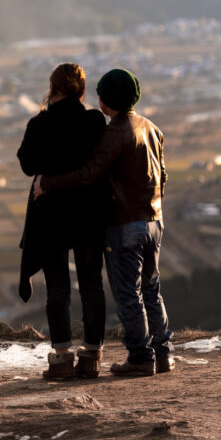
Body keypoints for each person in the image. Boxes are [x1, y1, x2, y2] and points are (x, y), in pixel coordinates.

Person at [35, 68, 173, 377]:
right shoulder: (151, 127)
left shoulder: (116, 131)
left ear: (106, 99)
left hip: (126, 223)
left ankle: (140, 356)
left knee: (128, 294)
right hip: (154, 220)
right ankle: (163, 354)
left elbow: (89, 174)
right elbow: (163, 175)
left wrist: (49, 182)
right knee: (152, 289)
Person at [17, 63, 110, 379]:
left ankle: (61, 357)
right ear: (82, 91)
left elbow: (27, 165)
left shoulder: (39, 124)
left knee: (57, 287)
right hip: (89, 215)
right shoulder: (94, 122)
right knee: (91, 284)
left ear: (53, 88)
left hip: (51, 216)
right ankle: (92, 356)